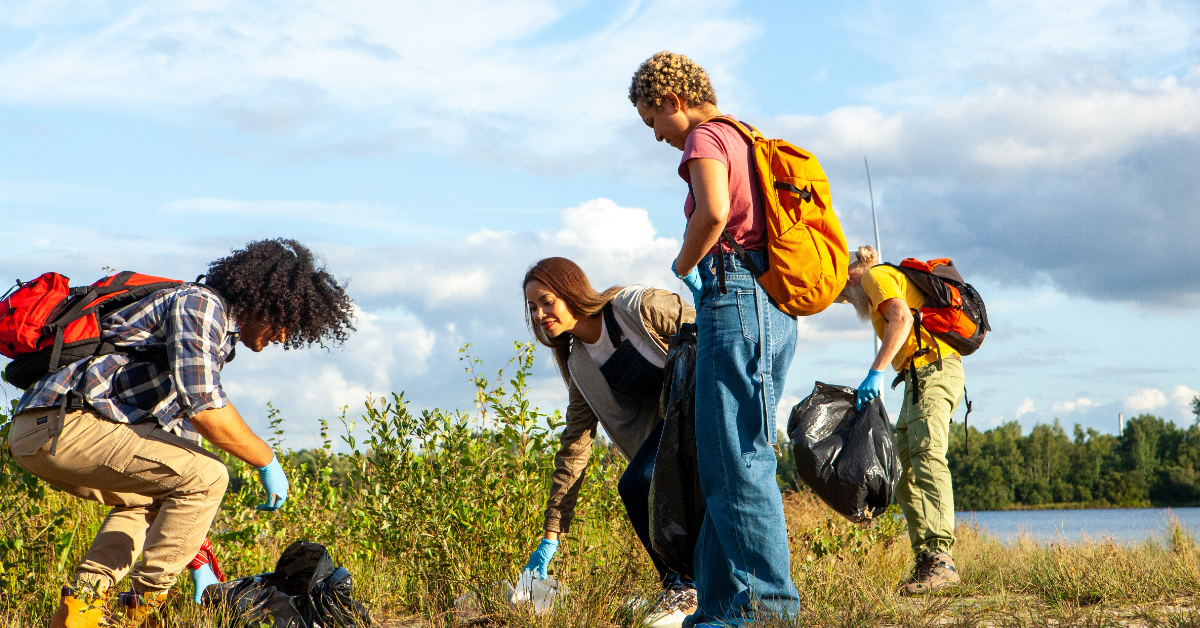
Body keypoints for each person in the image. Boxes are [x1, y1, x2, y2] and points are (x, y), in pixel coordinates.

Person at [7, 239, 355, 627]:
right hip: (64, 425)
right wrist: (265, 459)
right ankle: (134, 614)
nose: (285, 336)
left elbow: (177, 448)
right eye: (286, 321)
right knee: (211, 476)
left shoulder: (210, 331)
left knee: (146, 499)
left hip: (45, 431)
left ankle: (82, 611)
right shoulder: (200, 305)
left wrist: (198, 560)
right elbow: (205, 406)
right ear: (264, 302)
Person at [629, 51, 801, 626]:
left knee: (736, 459)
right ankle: (721, 608)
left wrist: (683, 263)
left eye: (654, 120)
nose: (657, 136)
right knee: (724, 459)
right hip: (768, 304)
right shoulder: (745, 138)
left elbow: (714, 212)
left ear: (674, 100)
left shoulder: (705, 139)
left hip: (735, 294)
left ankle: (767, 609)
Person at [522, 257, 697, 627]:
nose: (540, 314)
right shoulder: (581, 366)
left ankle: (691, 587)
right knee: (633, 483)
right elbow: (574, 448)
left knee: (647, 477)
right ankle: (679, 589)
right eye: (533, 307)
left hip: (708, 407)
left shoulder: (635, 308)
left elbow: (709, 327)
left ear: (572, 291)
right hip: (673, 429)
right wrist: (551, 534)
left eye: (547, 301)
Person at [837, 244, 966, 594]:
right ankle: (928, 561)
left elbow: (903, 318)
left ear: (851, 271)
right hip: (916, 378)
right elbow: (825, 296)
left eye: (841, 288)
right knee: (905, 471)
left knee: (927, 459)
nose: (844, 300)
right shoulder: (872, 284)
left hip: (933, 371)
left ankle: (942, 560)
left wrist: (875, 372)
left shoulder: (875, 276)